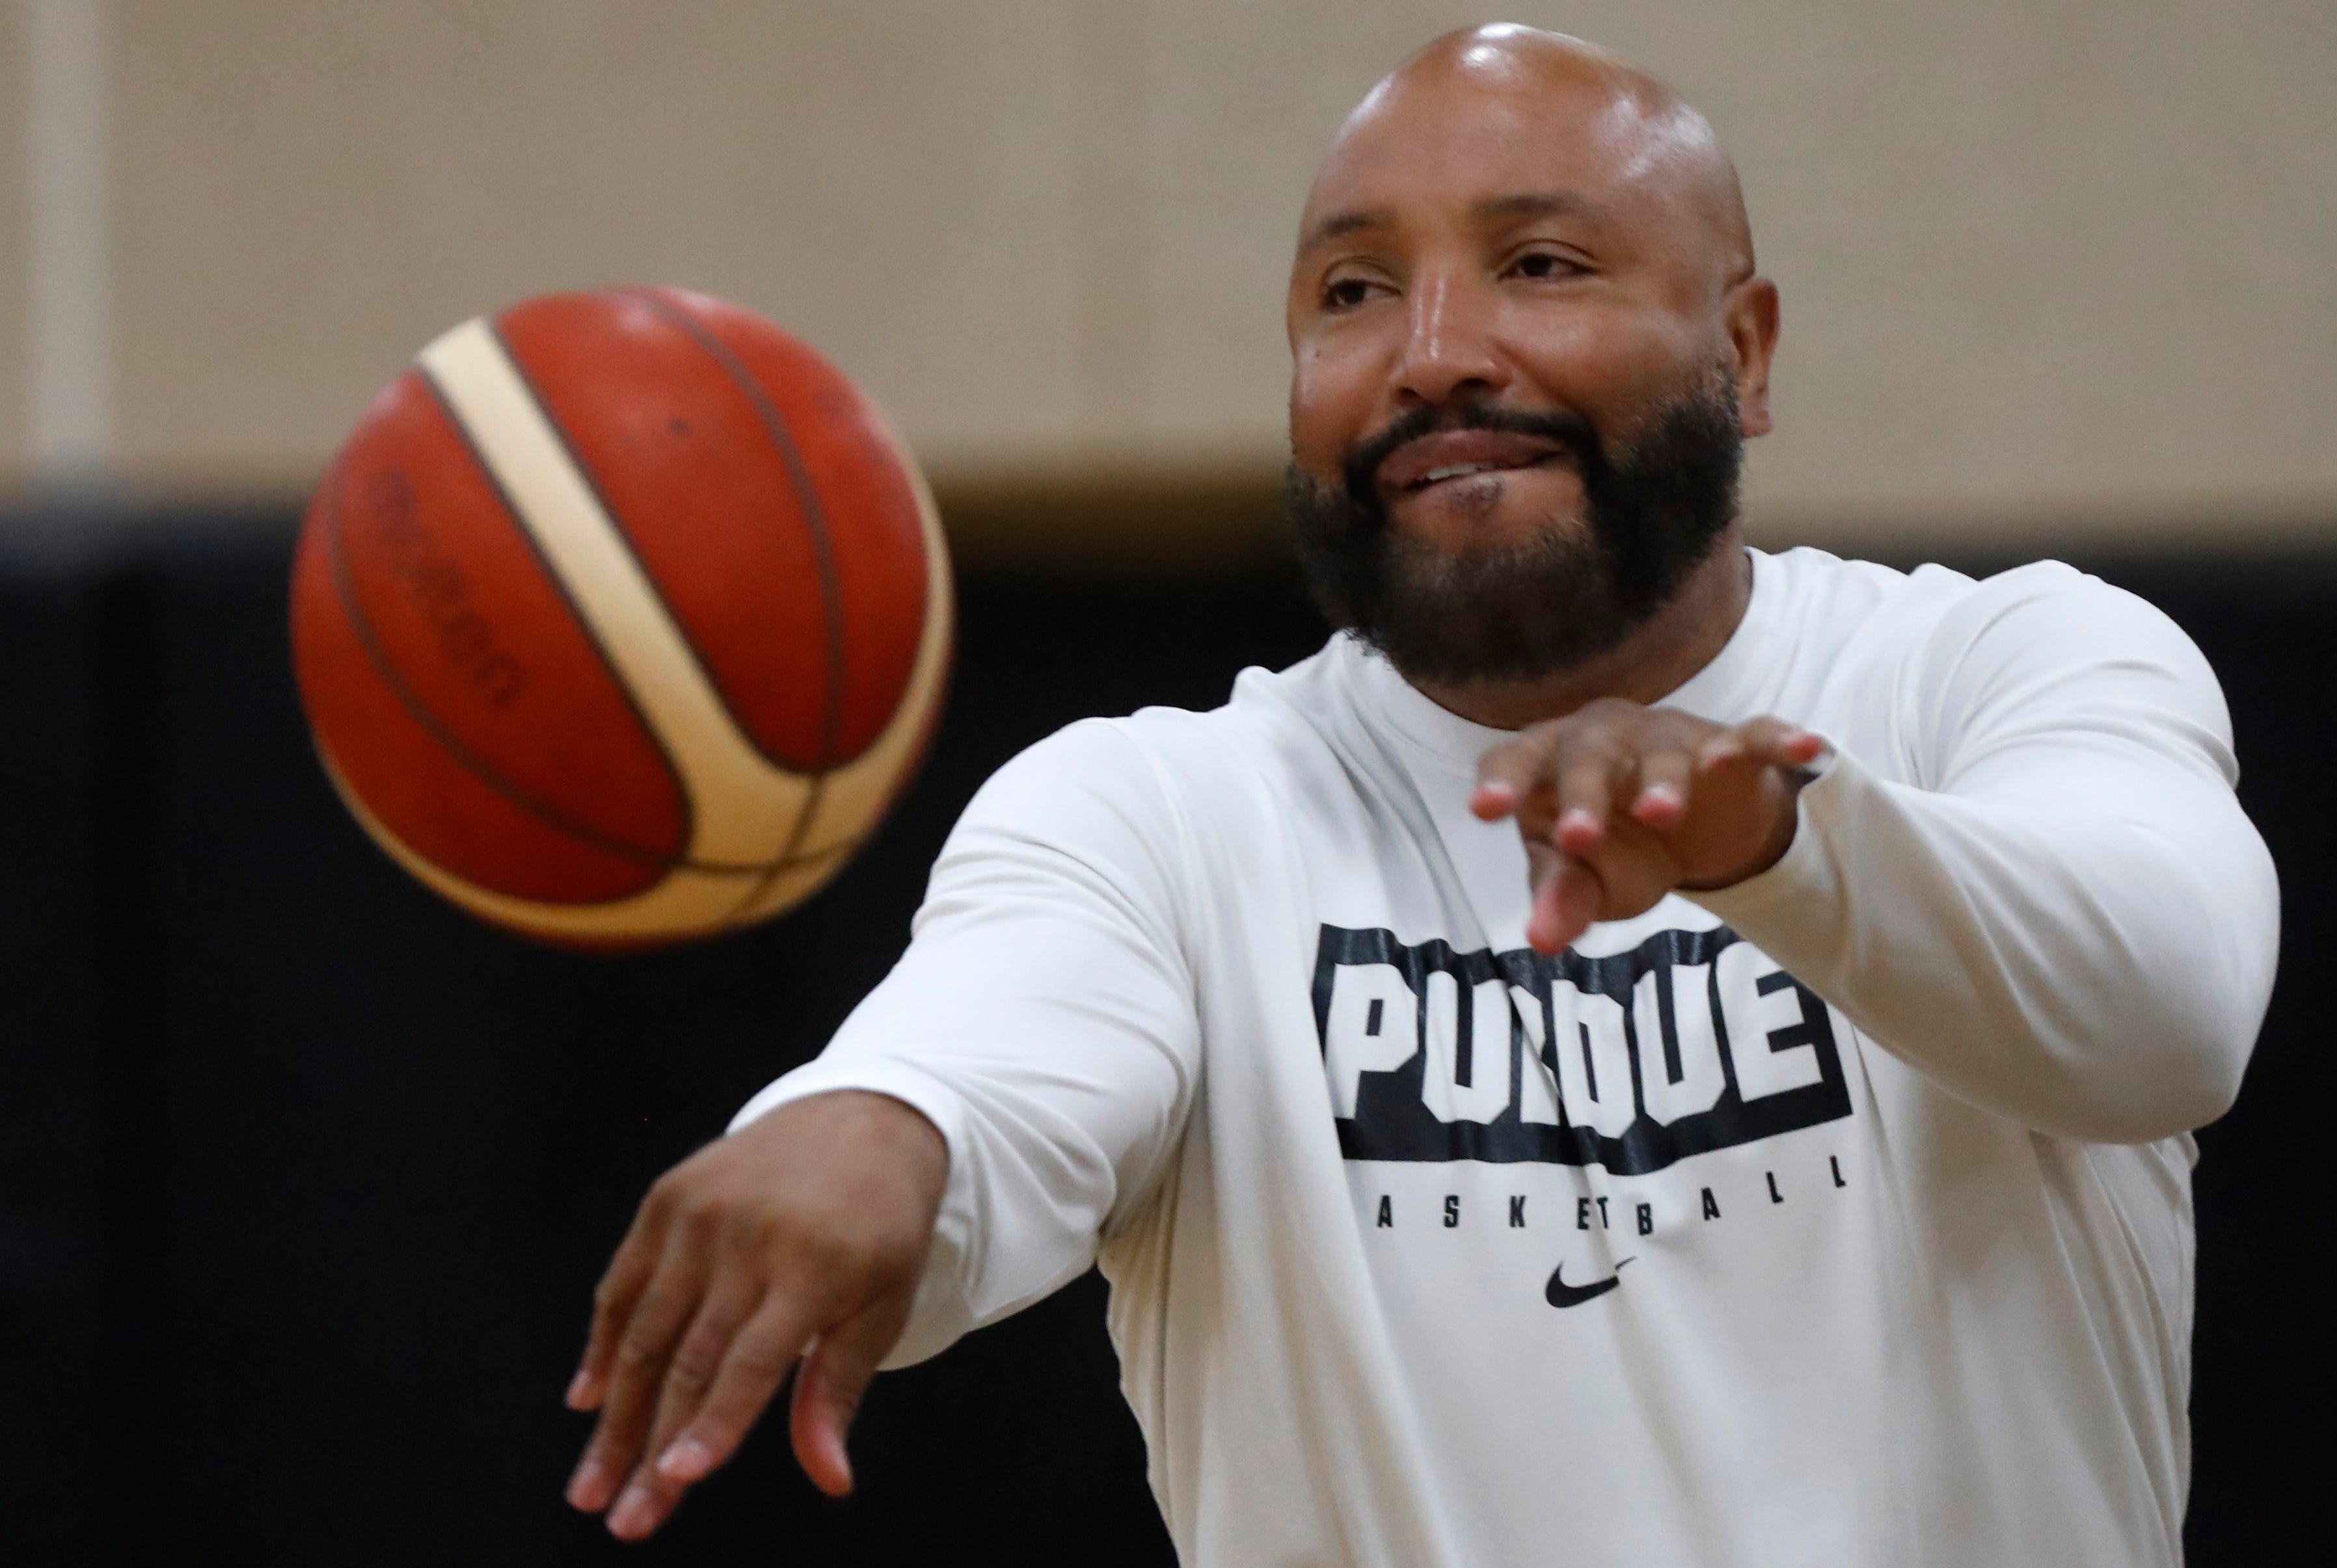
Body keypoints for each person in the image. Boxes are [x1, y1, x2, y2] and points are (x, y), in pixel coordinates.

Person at [560, 25, 2279, 1565]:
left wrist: (1780, 842)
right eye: (1352, 293)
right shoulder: (1163, 812)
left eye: (1538, 262)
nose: (1433, 352)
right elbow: (996, 1068)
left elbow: (2168, 1008)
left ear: (1744, 353)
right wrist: (883, 1120)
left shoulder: (2002, 667)